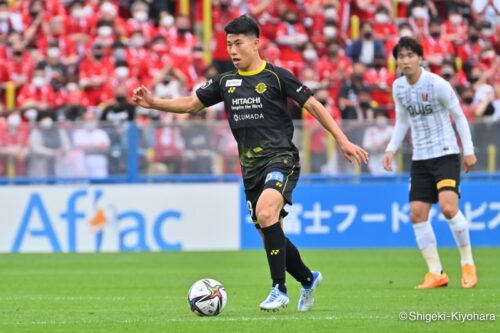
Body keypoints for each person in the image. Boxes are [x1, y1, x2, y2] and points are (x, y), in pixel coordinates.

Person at [133, 15, 368, 312]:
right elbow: (192, 104)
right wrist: (155, 104)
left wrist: (342, 140)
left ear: (256, 43)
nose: (232, 50)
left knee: (267, 210)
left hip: (281, 158)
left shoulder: (276, 76)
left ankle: (278, 289)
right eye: (228, 44)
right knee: (270, 229)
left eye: (238, 43)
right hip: (251, 169)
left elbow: (314, 106)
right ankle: (308, 279)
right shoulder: (225, 82)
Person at [383, 37, 478, 289]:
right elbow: (402, 119)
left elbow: (458, 116)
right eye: (401, 56)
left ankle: (467, 263)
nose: (405, 60)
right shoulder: (398, 87)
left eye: (410, 55)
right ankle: (436, 272)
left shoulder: (438, 85)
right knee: (417, 214)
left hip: (446, 153)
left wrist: (468, 151)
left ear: (420, 58)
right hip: (420, 158)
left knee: (448, 208)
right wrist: (391, 148)